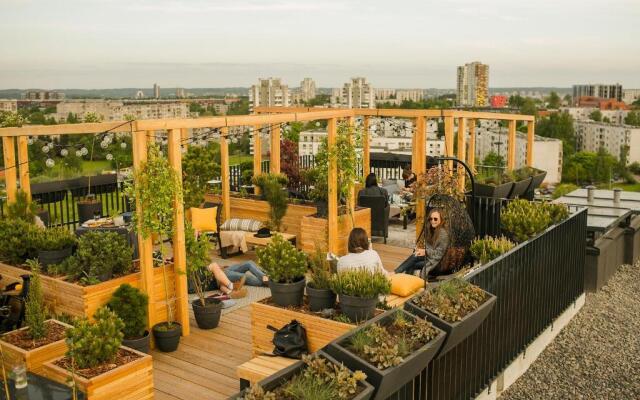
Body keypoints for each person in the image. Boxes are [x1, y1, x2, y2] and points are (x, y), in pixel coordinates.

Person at [394, 208, 450, 279]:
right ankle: (405, 279)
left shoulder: (443, 234)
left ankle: (396, 273)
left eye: (435, 219)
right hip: (431, 258)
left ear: (441, 220)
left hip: (438, 264)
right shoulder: (432, 230)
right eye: (431, 219)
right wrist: (421, 251)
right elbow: (430, 248)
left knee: (412, 263)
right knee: (415, 255)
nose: (433, 221)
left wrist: (425, 251)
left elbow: (438, 255)